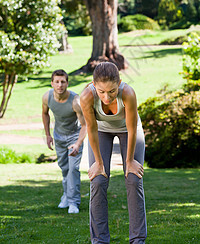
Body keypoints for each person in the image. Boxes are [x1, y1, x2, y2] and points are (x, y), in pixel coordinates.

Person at [80, 62, 147, 243]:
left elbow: (132, 129)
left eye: (111, 91)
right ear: (94, 85)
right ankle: (99, 240)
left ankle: (138, 240)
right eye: (101, 91)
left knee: (133, 179)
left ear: (120, 83)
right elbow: (91, 129)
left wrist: (130, 160)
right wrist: (99, 164)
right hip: (101, 131)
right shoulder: (86, 96)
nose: (107, 97)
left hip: (128, 130)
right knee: (99, 180)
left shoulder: (128, 93)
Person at [42, 69, 87, 214]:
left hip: (74, 137)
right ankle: (66, 196)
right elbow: (44, 113)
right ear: (52, 83)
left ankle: (74, 202)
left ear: (67, 83)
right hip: (59, 137)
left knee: (73, 169)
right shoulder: (47, 97)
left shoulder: (75, 101)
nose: (60, 85)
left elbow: (85, 125)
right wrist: (48, 135)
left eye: (63, 82)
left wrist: (78, 144)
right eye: (57, 82)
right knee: (65, 169)